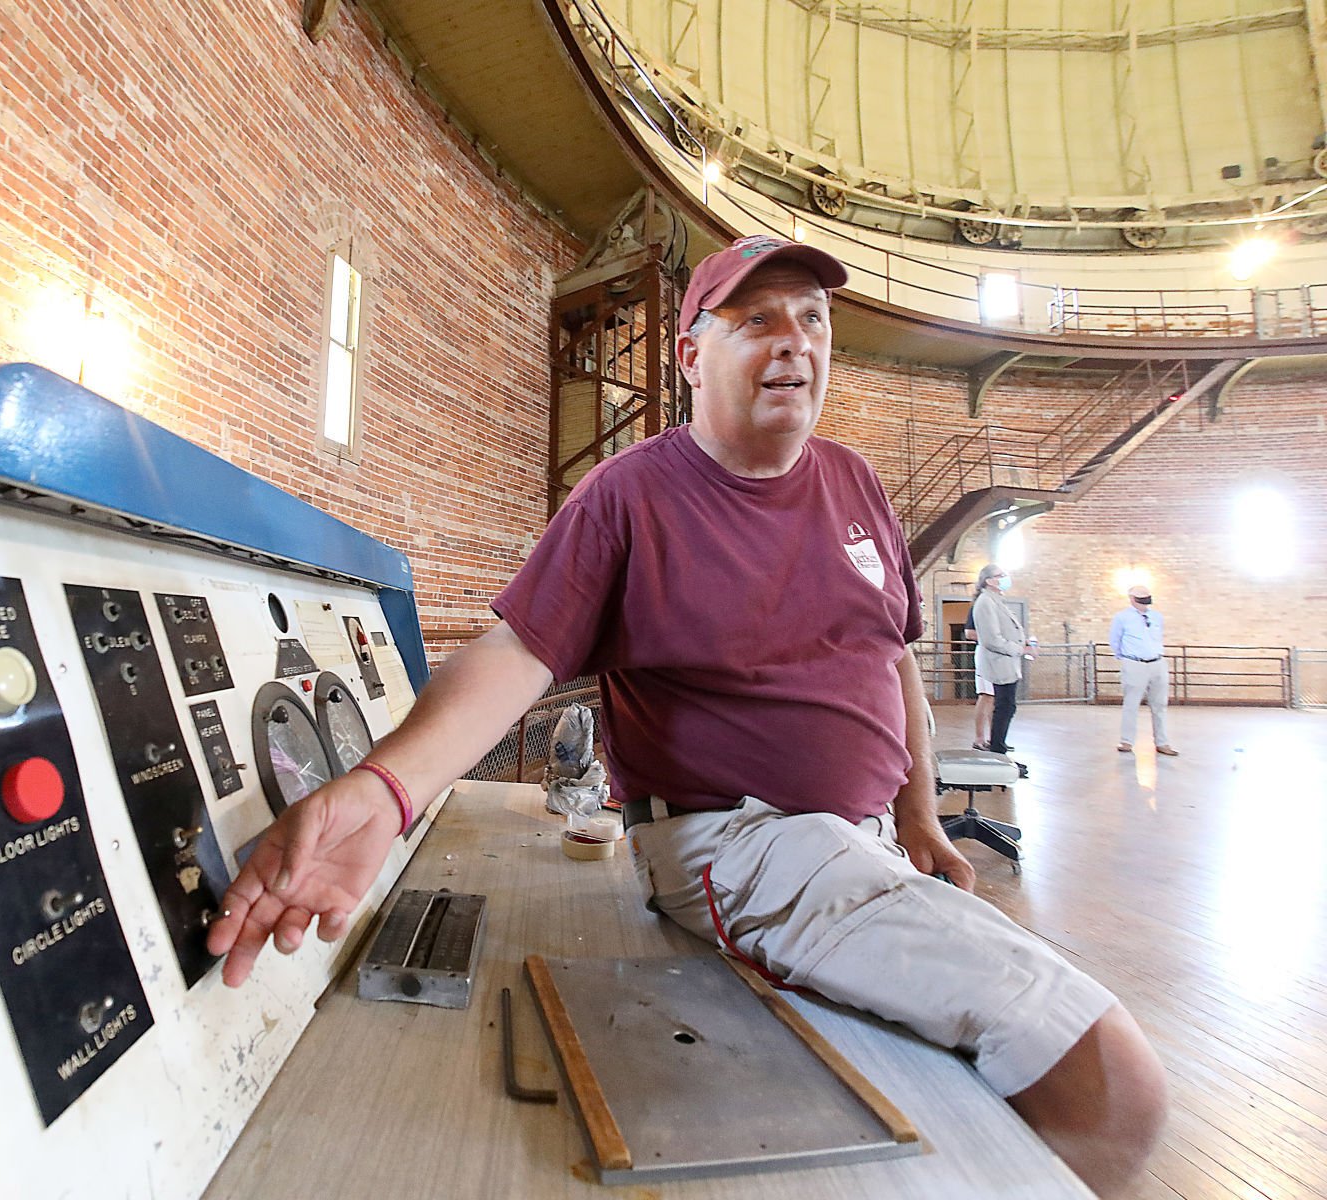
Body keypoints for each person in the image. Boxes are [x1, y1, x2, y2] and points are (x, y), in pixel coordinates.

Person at [207, 235, 1167, 1197]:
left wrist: (916, 814)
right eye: (757, 320)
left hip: (862, 836)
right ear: (690, 356)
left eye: (813, 320)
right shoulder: (630, 496)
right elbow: (518, 652)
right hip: (743, 843)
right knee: (1112, 1082)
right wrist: (387, 788)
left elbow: (895, 662)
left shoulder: (858, 484)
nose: (795, 341)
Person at [1110, 586, 1177, 756]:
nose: (1144, 602)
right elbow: (1115, 640)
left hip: (1157, 663)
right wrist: (1126, 658)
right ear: (1132, 599)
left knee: (1160, 704)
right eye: (1140, 599)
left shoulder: (1156, 617)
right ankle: (1126, 741)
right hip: (1134, 663)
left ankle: (1162, 742)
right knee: (1131, 704)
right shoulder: (1122, 618)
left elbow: (1158, 636)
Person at [971, 564, 1027, 756]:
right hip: (998, 662)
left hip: (1005, 662)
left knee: (1006, 706)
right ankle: (997, 748)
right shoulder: (986, 602)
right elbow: (992, 639)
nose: (1005, 578)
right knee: (1004, 706)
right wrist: (1019, 649)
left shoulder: (996, 600)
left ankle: (999, 745)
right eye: (1000, 575)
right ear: (989, 581)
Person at [963, 600, 995, 748]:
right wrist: (992, 636)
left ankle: (995, 737)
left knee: (995, 699)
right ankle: (979, 738)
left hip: (998, 656)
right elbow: (969, 633)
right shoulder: (977, 608)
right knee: (986, 696)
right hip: (986, 655)